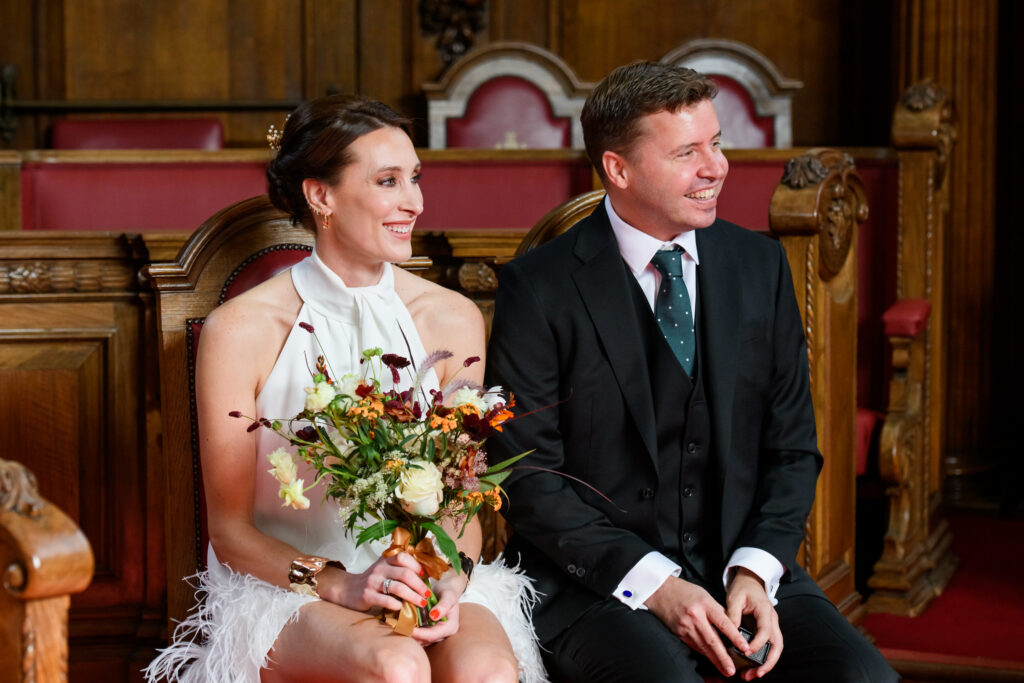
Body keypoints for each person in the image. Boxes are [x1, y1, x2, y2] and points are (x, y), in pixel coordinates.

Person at [485, 62, 899, 682]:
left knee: (862, 677)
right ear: (618, 169)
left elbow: (792, 448)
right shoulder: (539, 288)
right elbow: (530, 478)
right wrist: (656, 585)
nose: (716, 167)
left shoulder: (759, 265)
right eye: (687, 153)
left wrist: (756, 569)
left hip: (737, 566)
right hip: (595, 583)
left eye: (717, 143)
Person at [145, 94, 544, 683]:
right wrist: (343, 583)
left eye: (415, 178)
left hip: (423, 571)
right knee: (397, 665)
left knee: (486, 672)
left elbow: (460, 500)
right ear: (321, 195)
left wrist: (451, 576)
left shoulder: (452, 318)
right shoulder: (240, 330)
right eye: (388, 181)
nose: (414, 202)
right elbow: (231, 533)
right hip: (287, 585)